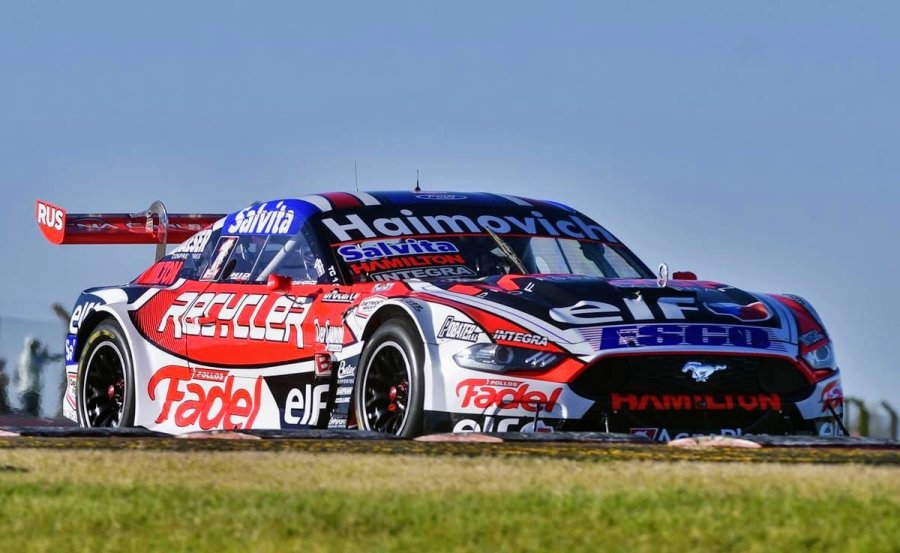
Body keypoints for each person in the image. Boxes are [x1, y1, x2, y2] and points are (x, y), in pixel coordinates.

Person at [16, 337, 63, 418]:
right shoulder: (26, 357)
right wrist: (44, 355)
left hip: (34, 391)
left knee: (34, 414)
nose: (36, 348)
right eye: (34, 346)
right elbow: (37, 364)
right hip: (28, 391)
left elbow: (48, 359)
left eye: (37, 346)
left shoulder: (35, 357)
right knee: (29, 414)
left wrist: (63, 356)